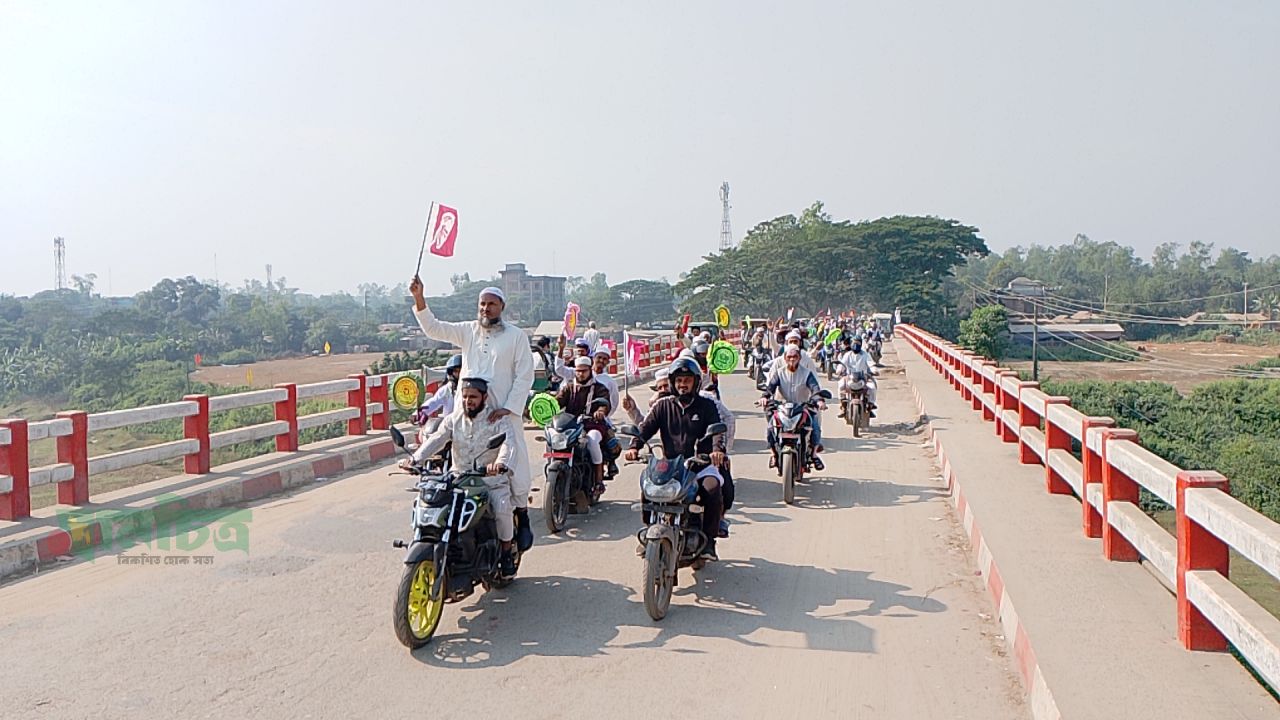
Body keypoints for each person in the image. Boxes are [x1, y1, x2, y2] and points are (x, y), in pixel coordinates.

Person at [409, 277, 535, 552]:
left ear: (502, 306)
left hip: (502, 411)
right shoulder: (467, 331)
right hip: (466, 409)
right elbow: (433, 328)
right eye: (482, 304)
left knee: (515, 466)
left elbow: (525, 375)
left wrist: (509, 407)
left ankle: (522, 516)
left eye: (491, 304)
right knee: (457, 460)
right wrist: (420, 298)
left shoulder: (516, 336)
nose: (486, 309)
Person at [402, 377, 521, 576]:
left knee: (501, 509)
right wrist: (415, 460)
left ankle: (507, 553)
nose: (468, 401)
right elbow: (437, 439)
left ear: (484, 397)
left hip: (489, 481)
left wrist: (500, 464)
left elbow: (509, 445)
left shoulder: (498, 419)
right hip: (459, 481)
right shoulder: (453, 420)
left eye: (473, 397)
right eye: (465, 397)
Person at [624, 358, 727, 561]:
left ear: (696, 382)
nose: (682, 384)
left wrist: (717, 450)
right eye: (679, 380)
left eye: (687, 380)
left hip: (700, 465)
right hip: (671, 466)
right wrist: (634, 447)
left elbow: (717, 430)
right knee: (647, 484)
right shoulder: (663, 406)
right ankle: (649, 530)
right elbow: (645, 428)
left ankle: (709, 542)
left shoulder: (707, 406)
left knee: (712, 488)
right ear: (673, 382)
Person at [760, 345, 826, 471]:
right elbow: (770, 388)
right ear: (785, 358)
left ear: (799, 358)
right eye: (789, 357)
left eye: (794, 357)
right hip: (783, 408)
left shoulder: (807, 373)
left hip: (803, 407)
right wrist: (765, 397)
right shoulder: (779, 373)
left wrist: (819, 401)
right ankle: (773, 454)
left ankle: (814, 455)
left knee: (815, 427)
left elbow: (815, 388)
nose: (792, 360)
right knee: (770, 428)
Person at [555, 356, 611, 494]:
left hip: (593, 425)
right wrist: (546, 404)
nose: (580, 374)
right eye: (578, 371)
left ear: (590, 370)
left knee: (592, 441)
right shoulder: (569, 388)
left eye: (584, 371)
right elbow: (558, 401)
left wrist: (600, 411)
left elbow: (604, 404)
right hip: (571, 426)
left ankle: (598, 481)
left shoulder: (599, 388)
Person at [413, 354, 462, 434]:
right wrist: (418, 413)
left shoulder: (472, 389)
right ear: (451, 373)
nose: (459, 374)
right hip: (450, 428)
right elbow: (434, 402)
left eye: (461, 371)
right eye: (456, 371)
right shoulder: (447, 389)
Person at [838, 337, 879, 417]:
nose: (856, 345)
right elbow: (842, 364)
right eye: (854, 343)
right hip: (849, 378)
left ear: (861, 344)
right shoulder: (847, 355)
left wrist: (874, 370)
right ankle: (843, 406)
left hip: (863, 378)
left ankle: (870, 405)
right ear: (851, 344)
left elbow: (870, 363)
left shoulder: (865, 355)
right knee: (840, 385)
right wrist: (839, 370)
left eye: (858, 343)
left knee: (872, 387)